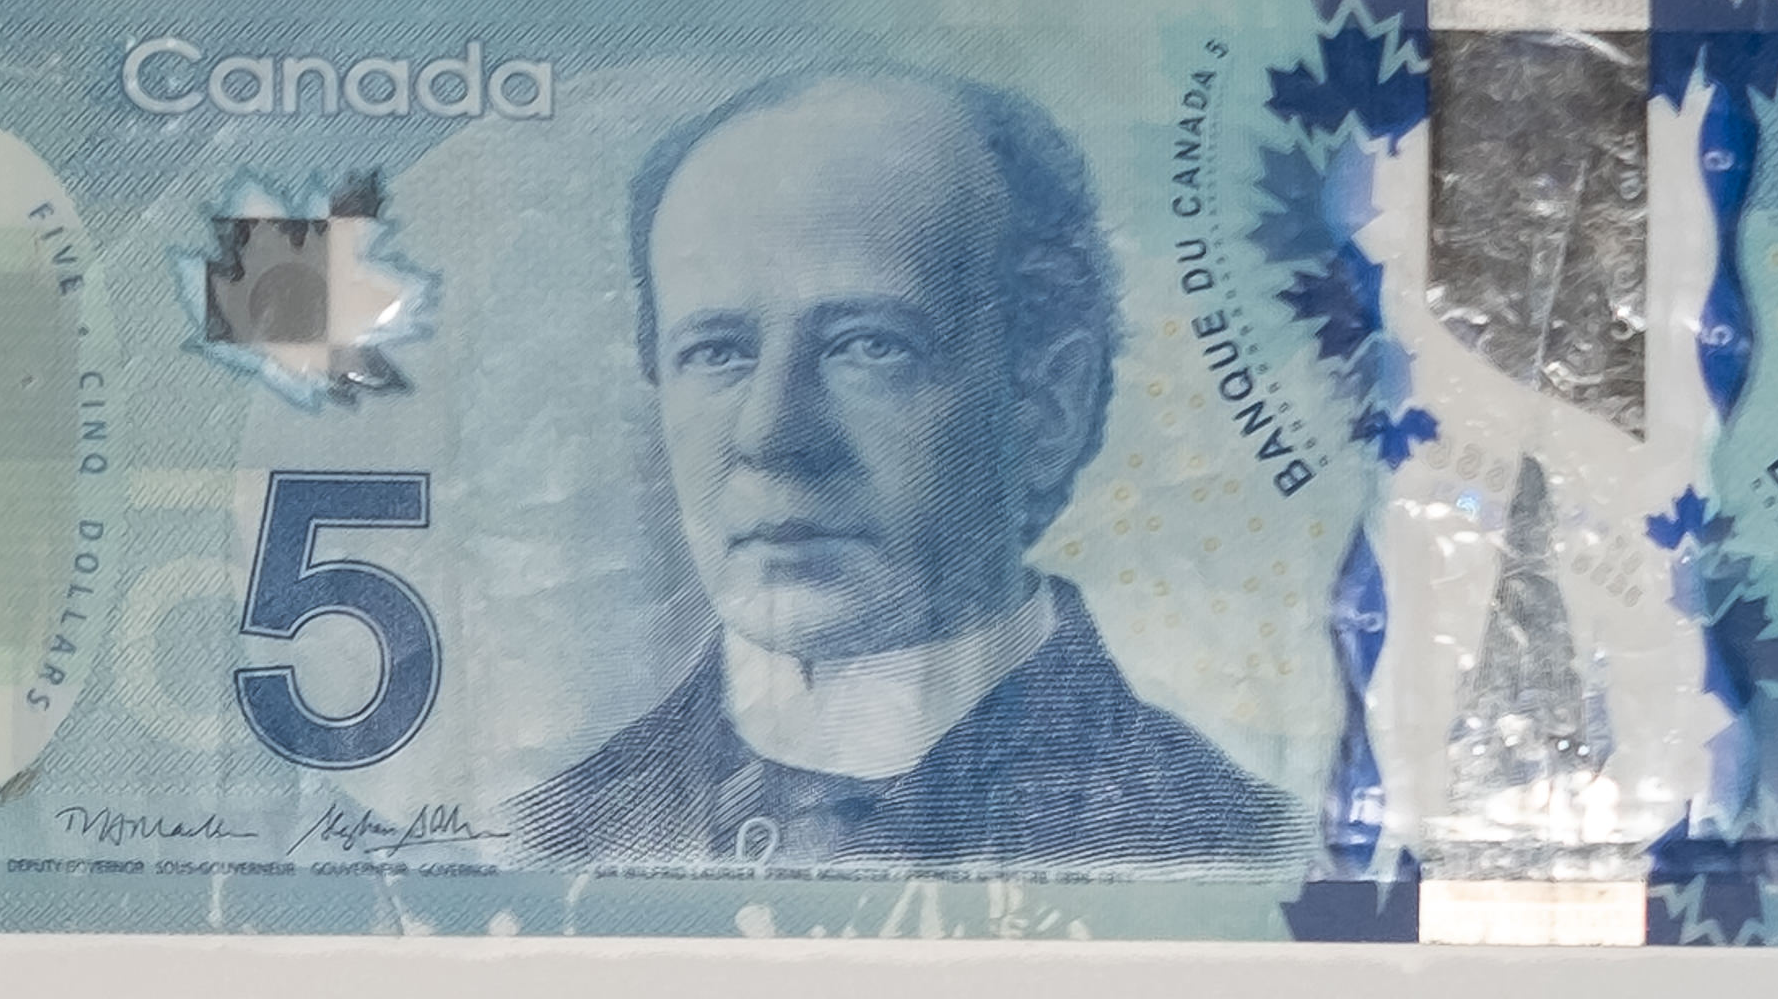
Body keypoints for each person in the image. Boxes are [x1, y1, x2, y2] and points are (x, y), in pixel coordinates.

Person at [514, 68, 1309, 877]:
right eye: (717, 352)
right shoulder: (542, 841)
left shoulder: (1229, 851)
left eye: (869, 345)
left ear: (1045, 405)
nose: (770, 434)